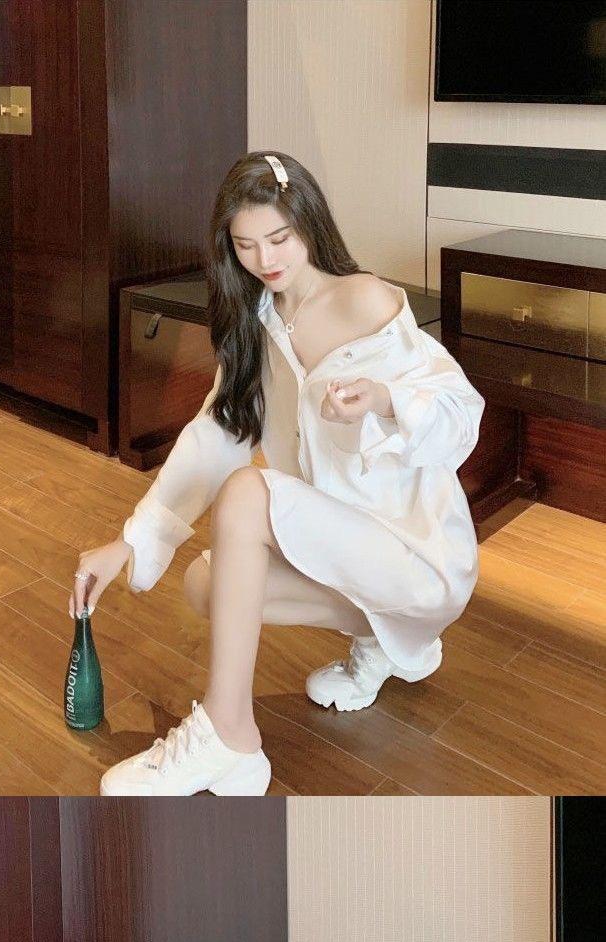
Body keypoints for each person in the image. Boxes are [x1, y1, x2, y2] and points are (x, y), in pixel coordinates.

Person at [69, 149, 485, 796]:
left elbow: (462, 412)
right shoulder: (260, 323)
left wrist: (385, 399)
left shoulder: (362, 299)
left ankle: (229, 736)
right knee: (207, 584)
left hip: (418, 557)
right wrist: (128, 540)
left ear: (308, 223)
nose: (266, 259)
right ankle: (386, 642)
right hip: (349, 552)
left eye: (279, 238)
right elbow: (217, 434)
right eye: (246, 246)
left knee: (247, 493)